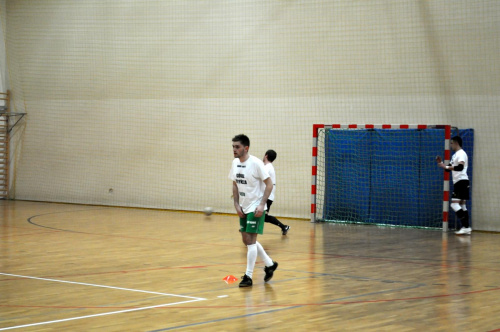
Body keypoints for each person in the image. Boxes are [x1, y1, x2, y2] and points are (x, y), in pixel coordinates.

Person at [229, 134, 278, 287]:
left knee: (250, 241)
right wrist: (236, 205)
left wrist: (262, 204)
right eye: (233, 147)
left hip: (256, 205)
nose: (234, 149)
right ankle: (270, 264)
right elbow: (235, 184)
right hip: (243, 205)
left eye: (237, 147)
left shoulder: (256, 163)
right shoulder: (235, 163)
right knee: (246, 240)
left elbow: (269, 184)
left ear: (246, 148)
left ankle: (248, 277)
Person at [436, 136, 471, 235]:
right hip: (460, 182)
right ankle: (467, 228)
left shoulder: (461, 154)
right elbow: (448, 169)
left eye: (451, 143)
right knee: (462, 204)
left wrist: (446, 166)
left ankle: (466, 226)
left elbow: (460, 167)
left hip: (461, 181)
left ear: (456, 143)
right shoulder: (455, 155)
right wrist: (442, 163)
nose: (450, 145)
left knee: (454, 204)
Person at [263, 149, 290, 235]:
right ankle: (284, 227)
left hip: (267, 195)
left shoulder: (267, 167)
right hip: (268, 195)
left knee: (262, 216)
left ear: (266, 155)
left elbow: (260, 178)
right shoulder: (268, 167)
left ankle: (284, 226)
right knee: (264, 217)